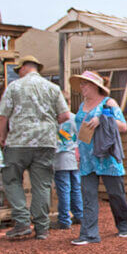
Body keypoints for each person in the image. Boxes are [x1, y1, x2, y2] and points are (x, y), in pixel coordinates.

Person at [0, 56, 71, 240]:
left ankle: (22, 222)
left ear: (23, 68)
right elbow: (65, 115)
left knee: (11, 179)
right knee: (42, 184)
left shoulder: (14, 87)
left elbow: (2, 115)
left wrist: (3, 136)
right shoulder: (53, 88)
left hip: (18, 142)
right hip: (45, 142)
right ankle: (42, 228)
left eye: (18, 70)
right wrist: (49, 124)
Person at [70, 71, 127, 245]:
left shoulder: (109, 103)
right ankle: (89, 234)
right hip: (86, 157)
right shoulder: (82, 105)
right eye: (81, 84)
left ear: (95, 86)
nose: (82, 87)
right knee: (88, 195)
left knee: (116, 193)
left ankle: (124, 225)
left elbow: (123, 126)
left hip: (107, 156)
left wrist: (102, 119)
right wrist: (76, 147)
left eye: (85, 84)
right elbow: (79, 130)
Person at [53, 92, 82, 230]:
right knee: (76, 187)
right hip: (74, 156)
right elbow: (80, 137)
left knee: (63, 189)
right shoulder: (74, 118)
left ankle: (64, 219)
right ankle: (79, 215)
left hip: (60, 156)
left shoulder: (54, 120)